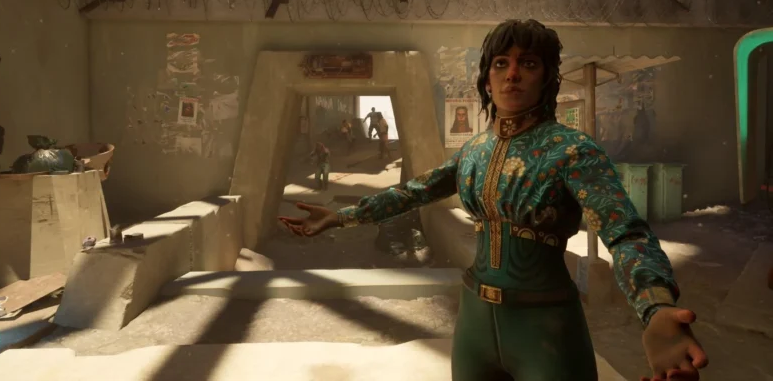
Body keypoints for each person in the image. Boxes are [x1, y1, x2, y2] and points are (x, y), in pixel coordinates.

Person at [279, 19, 708, 381]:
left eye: (528, 63)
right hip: (474, 325)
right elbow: (412, 192)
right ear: (487, 78)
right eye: (501, 63)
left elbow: (625, 231)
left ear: (547, 77)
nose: (512, 73)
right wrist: (340, 217)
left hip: (546, 328)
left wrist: (656, 308)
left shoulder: (572, 150)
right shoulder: (475, 151)